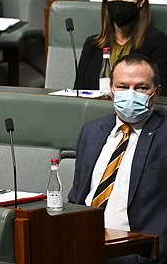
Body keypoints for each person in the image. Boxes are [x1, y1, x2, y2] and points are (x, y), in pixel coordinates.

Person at [68, 54, 167, 264]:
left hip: (136, 249)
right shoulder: (91, 131)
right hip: (81, 238)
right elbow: (76, 195)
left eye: (141, 88)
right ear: (111, 90)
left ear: (156, 93)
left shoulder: (164, 134)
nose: (130, 94)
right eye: (122, 86)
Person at [75, 0, 167, 92]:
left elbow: (160, 95)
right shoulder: (92, 45)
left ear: (141, 0)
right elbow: (78, 93)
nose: (118, 3)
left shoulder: (158, 44)